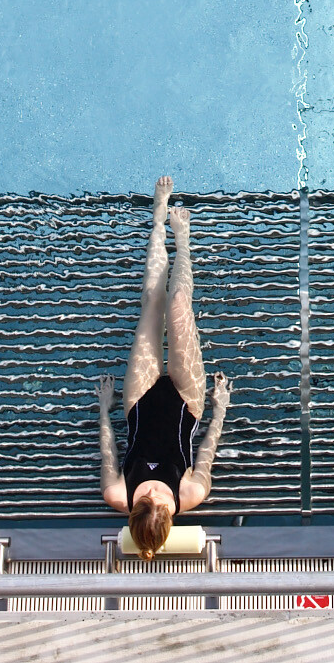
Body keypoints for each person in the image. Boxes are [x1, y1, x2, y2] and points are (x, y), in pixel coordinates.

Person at [98, 176, 232, 560]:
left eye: (147, 498)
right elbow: (206, 451)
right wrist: (220, 408)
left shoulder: (117, 494)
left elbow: (108, 454)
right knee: (178, 305)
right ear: (170, 515)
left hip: (138, 400)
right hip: (187, 401)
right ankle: (183, 241)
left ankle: (158, 219)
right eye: (160, 501)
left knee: (152, 301)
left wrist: (104, 409)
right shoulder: (191, 493)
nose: (154, 491)